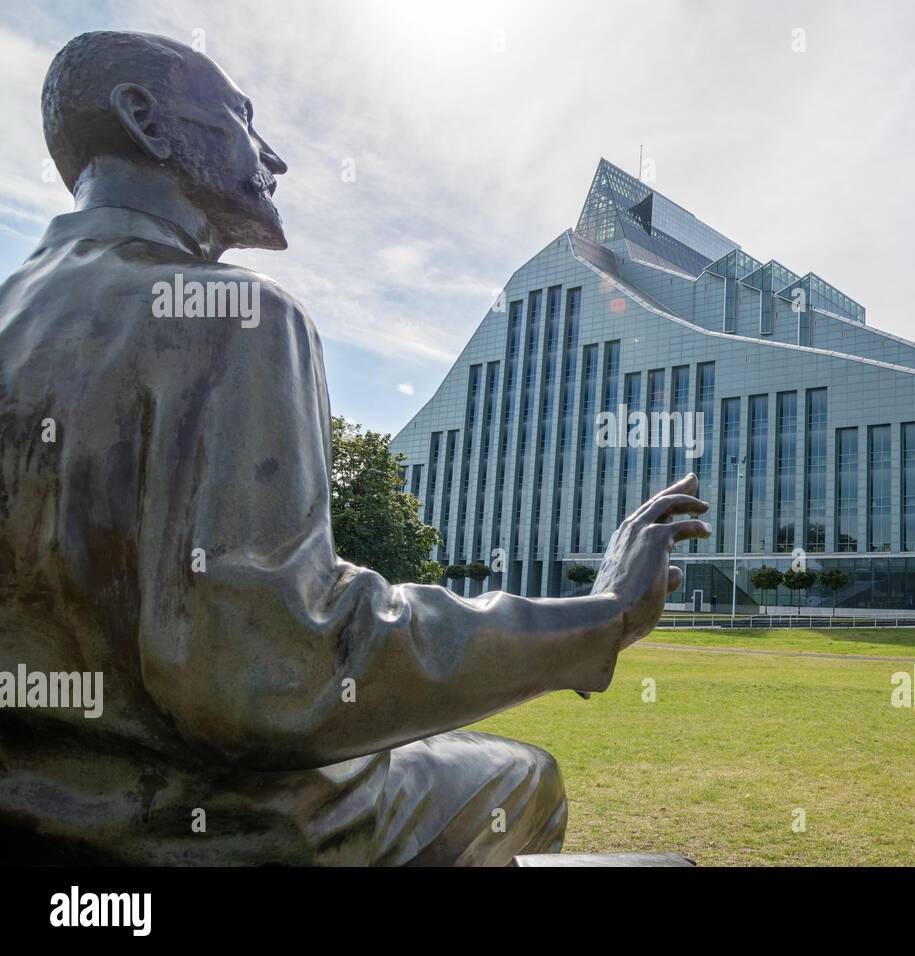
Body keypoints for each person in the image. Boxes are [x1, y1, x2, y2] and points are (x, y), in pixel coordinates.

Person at [0, 31, 709, 865]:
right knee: (522, 777)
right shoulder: (236, 317)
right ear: (144, 121)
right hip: (180, 825)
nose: (272, 157)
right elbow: (282, 671)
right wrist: (600, 617)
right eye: (240, 118)